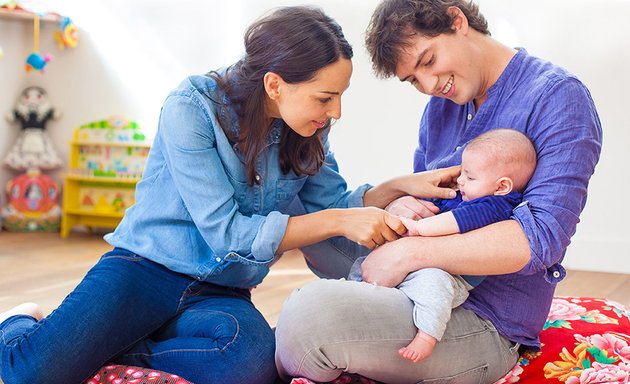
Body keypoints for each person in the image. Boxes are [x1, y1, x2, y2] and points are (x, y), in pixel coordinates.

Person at [0, 6, 460, 384]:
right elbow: (226, 232)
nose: (335, 111)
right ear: (275, 84)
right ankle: (20, 322)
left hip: (221, 288)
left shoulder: (310, 128)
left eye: (340, 96)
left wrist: (400, 186)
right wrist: (340, 221)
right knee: (28, 374)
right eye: (325, 97)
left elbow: (332, 202)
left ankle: (110, 343)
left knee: (249, 364)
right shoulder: (191, 107)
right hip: (144, 270)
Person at [274, 0, 602, 383]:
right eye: (413, 79)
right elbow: (431, 198)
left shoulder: (558, 97)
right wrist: (403, 204)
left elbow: (540, 239)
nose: (429, 86)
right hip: (419, 278)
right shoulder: (442, 105)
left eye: (428, 61)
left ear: (456, 20)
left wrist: (409, 254)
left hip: (481, 316)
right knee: (320, 227)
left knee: (308, 318)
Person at [348, 128, 537, 363]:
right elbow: (433, 203)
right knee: (366, 263)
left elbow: (458, 221)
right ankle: (354, 294)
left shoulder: (496, 205)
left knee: (433, 289)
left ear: (501, 186)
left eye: (469, 176)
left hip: (452, 273)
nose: (460, 180)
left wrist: (419, 228)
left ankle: (427, 335)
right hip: (423, 260)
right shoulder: (465, 193)